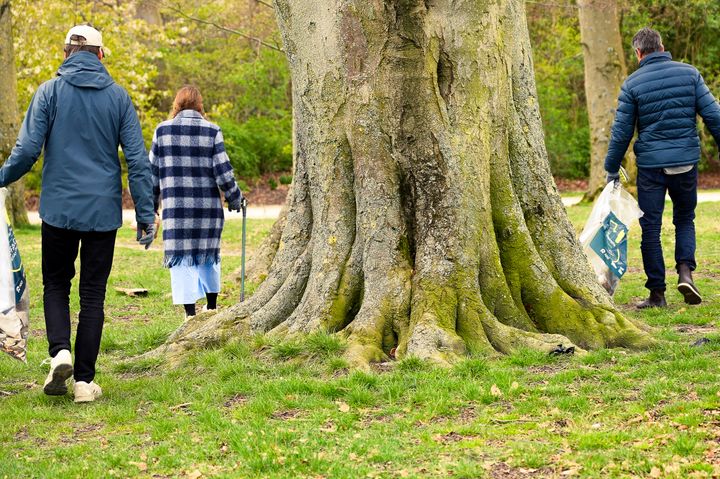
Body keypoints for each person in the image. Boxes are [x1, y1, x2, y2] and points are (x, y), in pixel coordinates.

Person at [0, 25, 156, 402]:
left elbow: (26, 151)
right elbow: (137, 160)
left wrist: (1, 177)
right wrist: (146, 214)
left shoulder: (49, 92)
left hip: (58, 210)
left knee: (56, 284)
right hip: (103, 211)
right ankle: (85, 382)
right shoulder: (118, 98)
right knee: (93, 295)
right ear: (101, 55)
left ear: (66, 52)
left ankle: (60, 353)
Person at [605, 27, 720, 309]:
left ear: (638, 53)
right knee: (684, 219)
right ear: (662, 46)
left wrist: (611, 167)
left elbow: (621, 132)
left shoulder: (632, 84)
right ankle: (685, 272)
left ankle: (657, 294)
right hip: (685, 163)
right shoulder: (690, 74)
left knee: (651, 229)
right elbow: (714, 115)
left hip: (651, 167)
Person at [149, 86, 243, 318]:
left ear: (176, 105)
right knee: (208, 256)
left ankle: (189, 314)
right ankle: (211, 307)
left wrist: (150, 207)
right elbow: (223, 172)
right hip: (207, 211)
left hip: (176, 211)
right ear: (200, 106)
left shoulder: (162, 131)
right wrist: (235, 198)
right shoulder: (212, 131)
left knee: (181, 261)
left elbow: (151, 174)